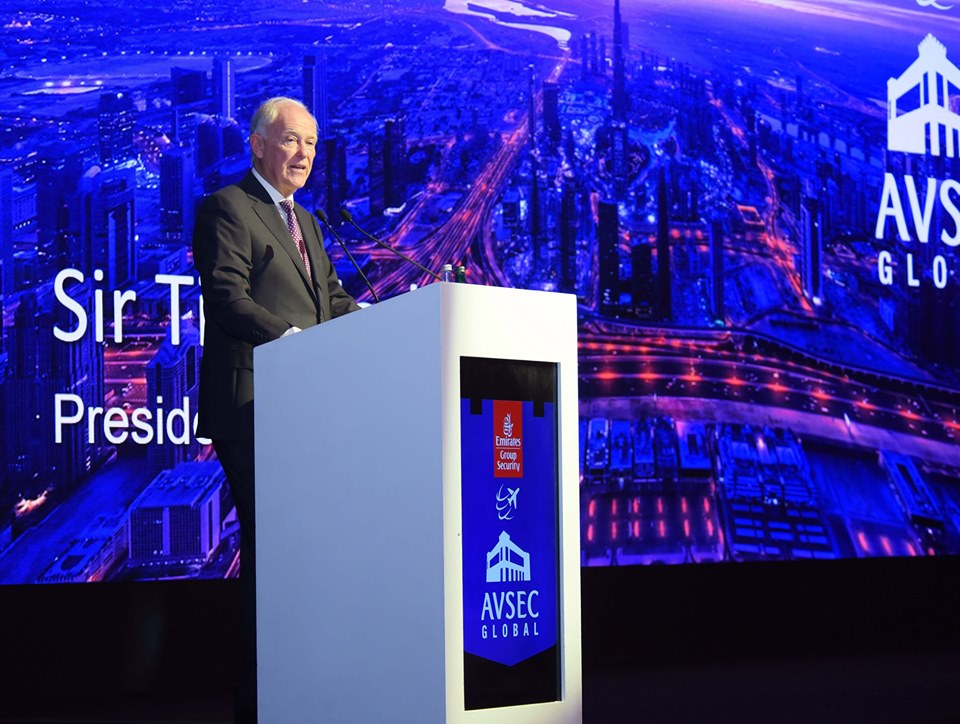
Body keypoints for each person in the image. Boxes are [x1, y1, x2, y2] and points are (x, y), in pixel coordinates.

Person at [192, 96, 360, 723]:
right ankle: (262, 698)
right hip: (254, 404)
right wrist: (292, 341)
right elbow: (228, 298)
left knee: (306, 551)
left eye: (311, 144)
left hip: (305, 408)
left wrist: (385, 319)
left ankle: (309, 683)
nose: (304, 155)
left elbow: (331, 301)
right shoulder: (228, 207)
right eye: (292, 141)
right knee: (273, 549)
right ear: (259, 145)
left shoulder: (307, 222)